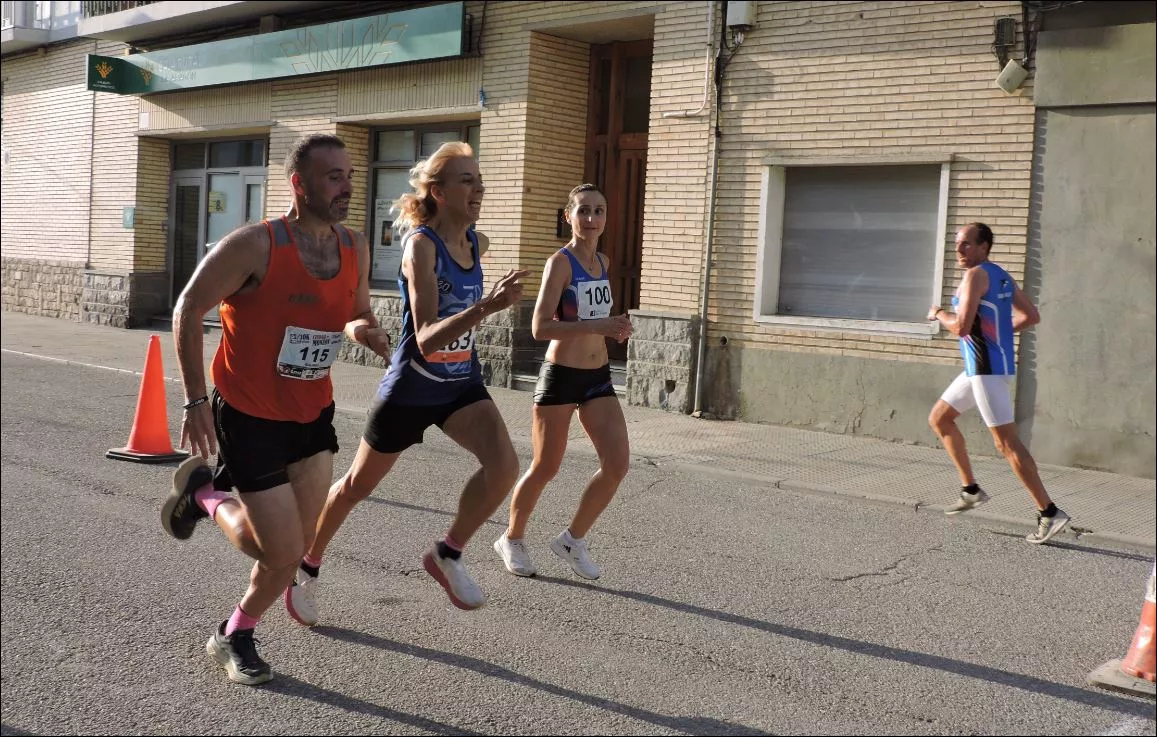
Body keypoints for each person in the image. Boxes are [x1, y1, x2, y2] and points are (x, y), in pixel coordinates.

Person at [160, 133, 391, 685]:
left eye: (350, 175)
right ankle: (210, 511)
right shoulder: (255, 245)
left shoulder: (354, 247)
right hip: (250, 415)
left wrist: (367, 332)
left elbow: (355, 313)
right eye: (333, 177)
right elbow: (188, 307)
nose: (346, 186)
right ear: (299, 184)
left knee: (294, 547)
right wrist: (195, 400)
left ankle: (206, 513)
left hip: (312, 415)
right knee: (281, 551)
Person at [287, 141, 526, 618]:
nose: (478, 190)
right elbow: (428, 338)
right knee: (355, 486)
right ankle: (305, 566)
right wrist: (486, 307)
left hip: (460, 384)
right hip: (413, 386)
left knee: (504, 467)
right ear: (438, 191)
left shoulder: (477, 243)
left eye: (480, 181)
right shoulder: (421, 246)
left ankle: (447, 553)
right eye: (467, 181)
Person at [492, 184, 633, 580]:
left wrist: (615, 328)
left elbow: (594, 320)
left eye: (599, 211)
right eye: (583, 210)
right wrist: (598, 325)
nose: (591, 218)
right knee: (545, 466)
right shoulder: (560, 263)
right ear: (568, 216)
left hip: (597, 378)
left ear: (606, 218)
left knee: (617, 464)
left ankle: (572, 540)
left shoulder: (603, 261)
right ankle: (512, 539)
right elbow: (540, 327)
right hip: (561, 377)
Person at [928, 222, 1070, 545]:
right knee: (940, 418)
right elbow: (1030, 316)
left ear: (984, 247)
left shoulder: (975, 275)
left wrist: (938, 313)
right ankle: (971, 490)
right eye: (957, 243)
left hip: (986, 369)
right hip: (982, 368)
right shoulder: (1000, 275)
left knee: (1006, 443)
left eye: (966, 244)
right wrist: (995, 331)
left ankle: (1049, 512)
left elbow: (961, 328)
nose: (959, 249)